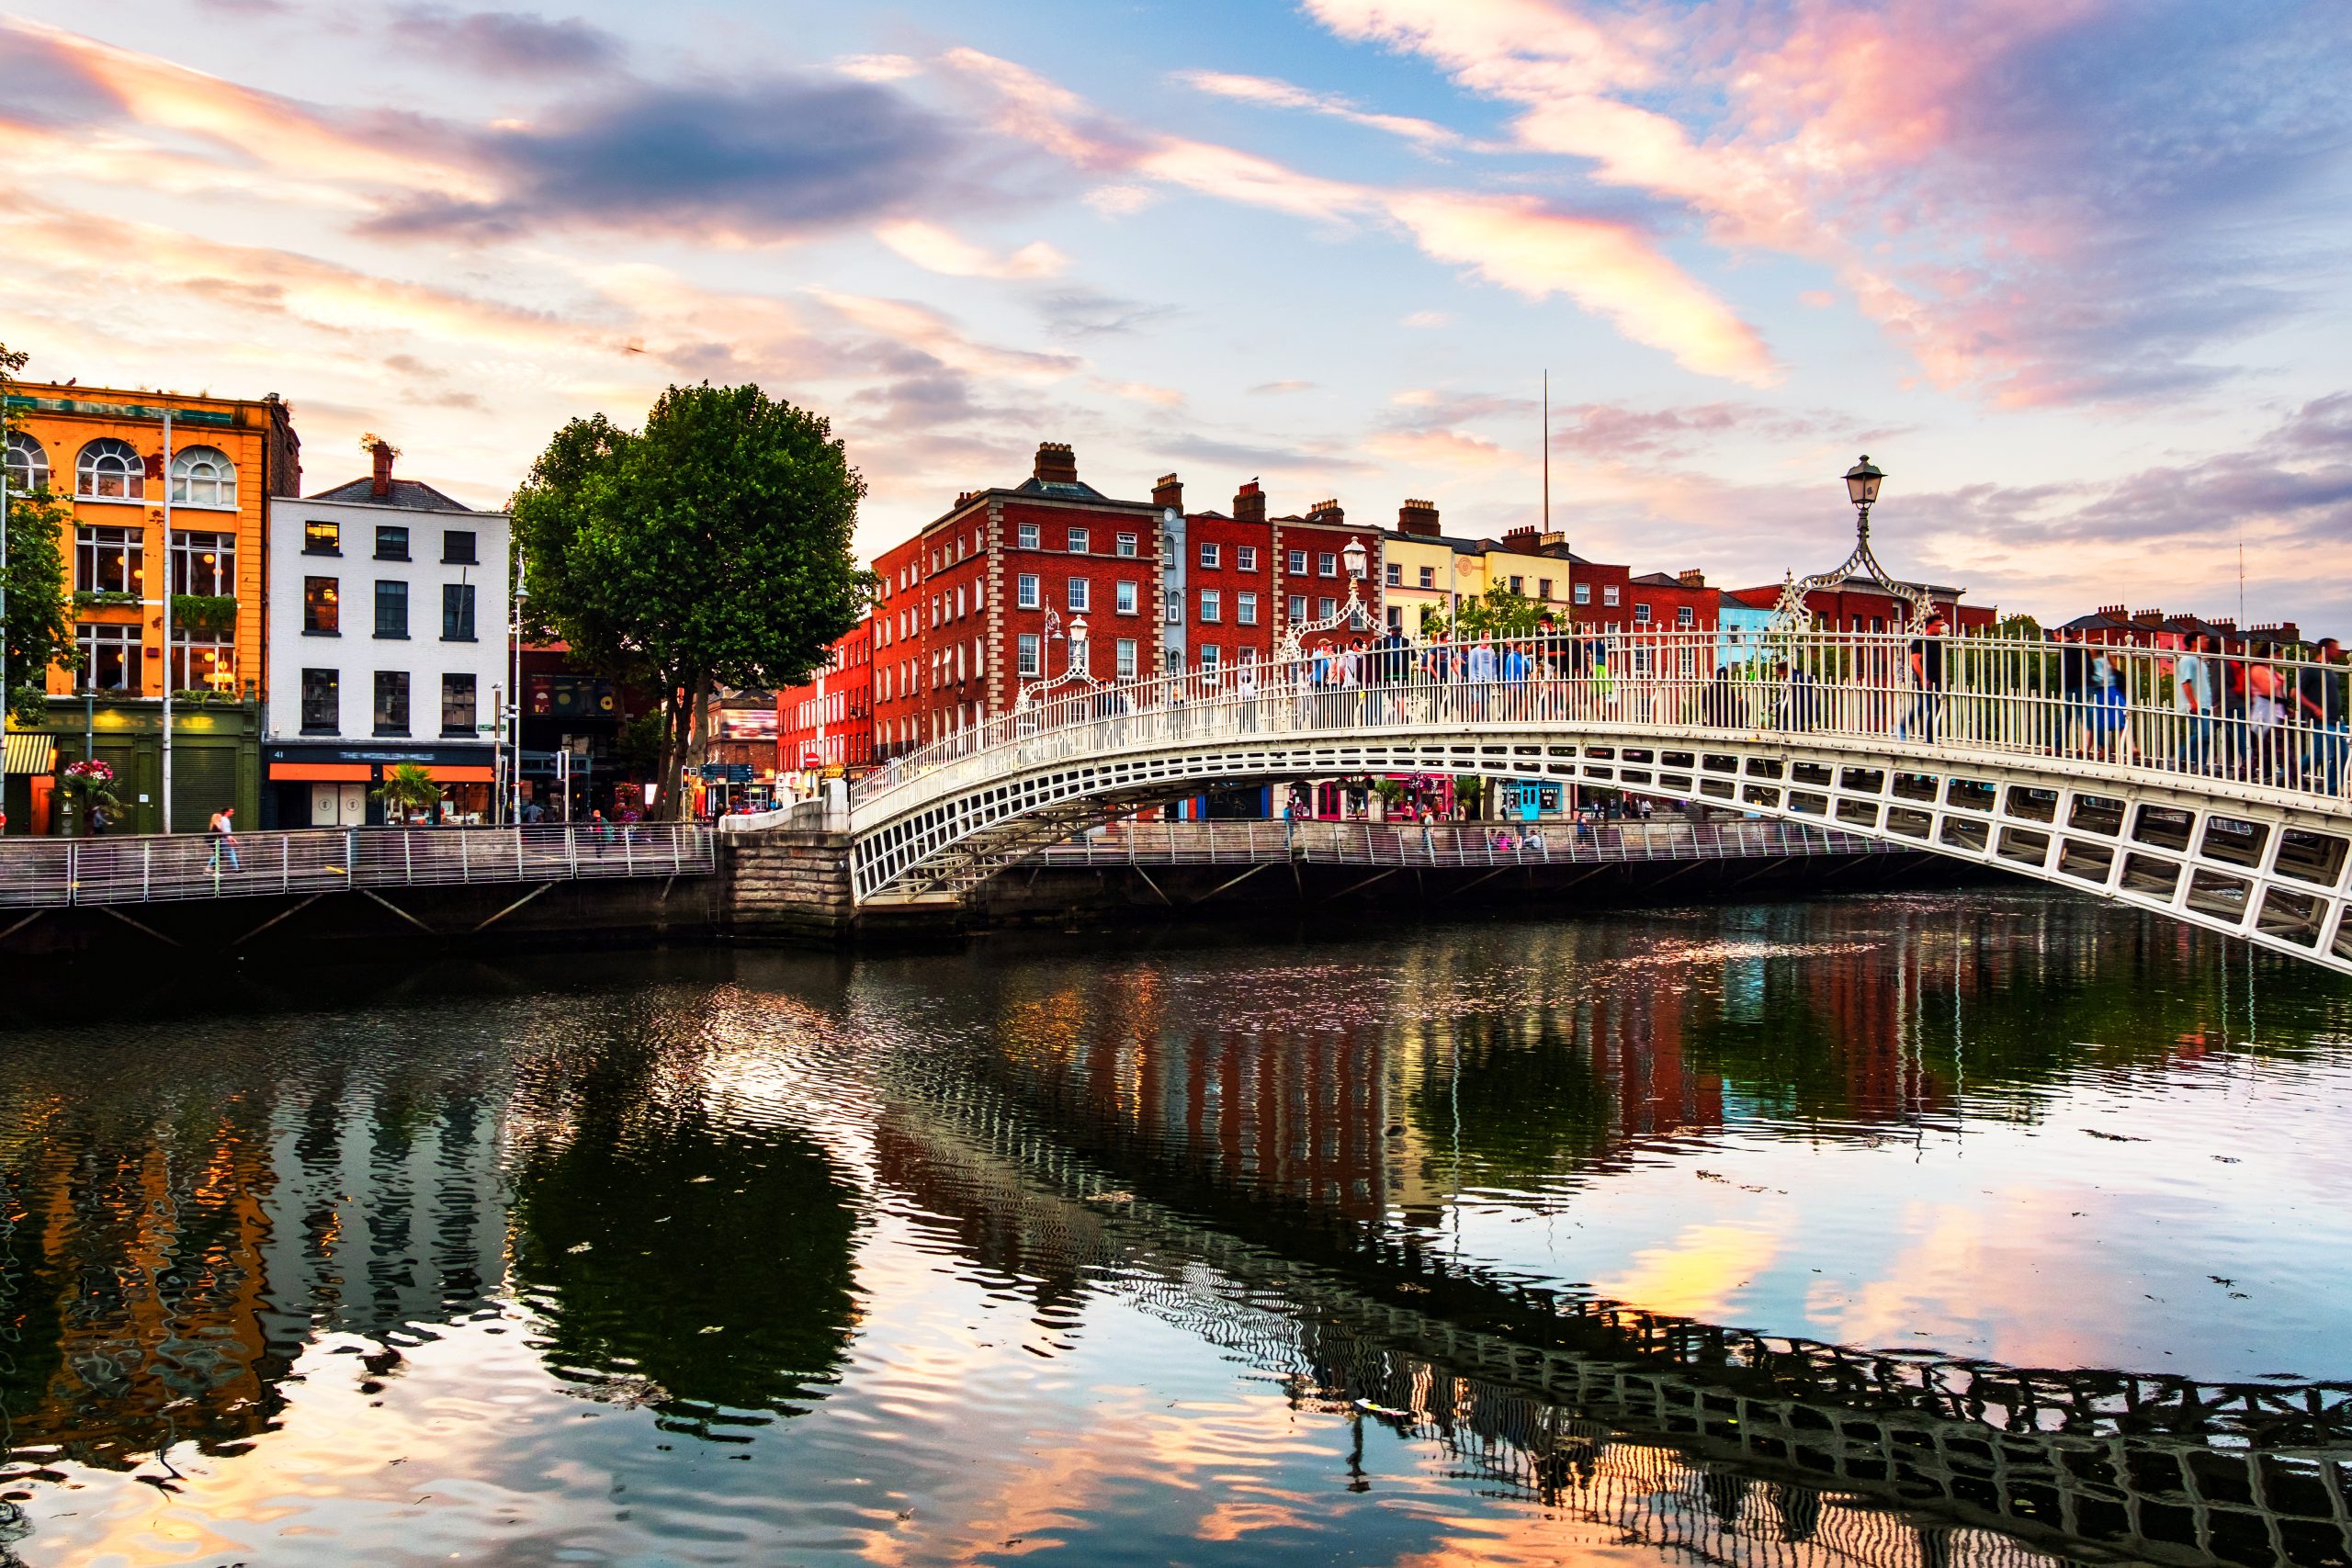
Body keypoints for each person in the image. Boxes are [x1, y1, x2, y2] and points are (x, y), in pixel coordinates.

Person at [207, 805, 240, 872]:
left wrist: (231, 839)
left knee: (221, 854)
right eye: (231, 811)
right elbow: (224, 830)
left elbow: (225, 831)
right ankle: (209, 869)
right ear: (226, 812)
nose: (233, 813)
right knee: (219, 854)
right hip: (215, 838)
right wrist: (230, 839)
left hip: (218, 838)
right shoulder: (221, 818)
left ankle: (212, 870)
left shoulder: (223, 819)